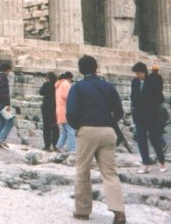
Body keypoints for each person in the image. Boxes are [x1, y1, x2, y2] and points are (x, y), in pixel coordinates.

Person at [67, 55, 127, 224]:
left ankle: (82, 211)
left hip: (87, 130)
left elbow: (71, 112)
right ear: (96, 68)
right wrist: (108, 121)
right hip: (108, 131)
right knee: (110, 173)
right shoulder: (108, 87)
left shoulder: (77, 87)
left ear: (80, 70)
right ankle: (119, 212)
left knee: (82, 170)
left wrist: (78, 127)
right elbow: (119, 111)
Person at [130, 62, 166, 173]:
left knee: (154, 140)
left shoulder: (153, 82)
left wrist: (152, 108)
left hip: (152, 116)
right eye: (136, 73)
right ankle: (145, 164)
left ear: (144, 72)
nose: (138, 75)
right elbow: (133, 97)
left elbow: (160, 98)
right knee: (141, 140)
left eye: (139, 73)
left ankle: (162, 162)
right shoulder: (134, 82)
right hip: (139, 116)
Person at [55, 72, 76, 153]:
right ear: (69, 78)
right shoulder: (66, 84)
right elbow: (66, 96)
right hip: (65, 109)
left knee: (64, 130)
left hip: (59, 109)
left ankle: (59, 146)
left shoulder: (58, 85)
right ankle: (72, 149)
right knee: (71, 130)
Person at [38, 72, 59, 152]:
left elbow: (41, 92)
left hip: (46, 107)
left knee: (46, 127)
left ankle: (47, 145)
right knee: (55, 127)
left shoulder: (46, 84)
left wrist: (45, 83)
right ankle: (55, 145)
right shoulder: (57, 85)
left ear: (48, 78)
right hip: (55, 107)